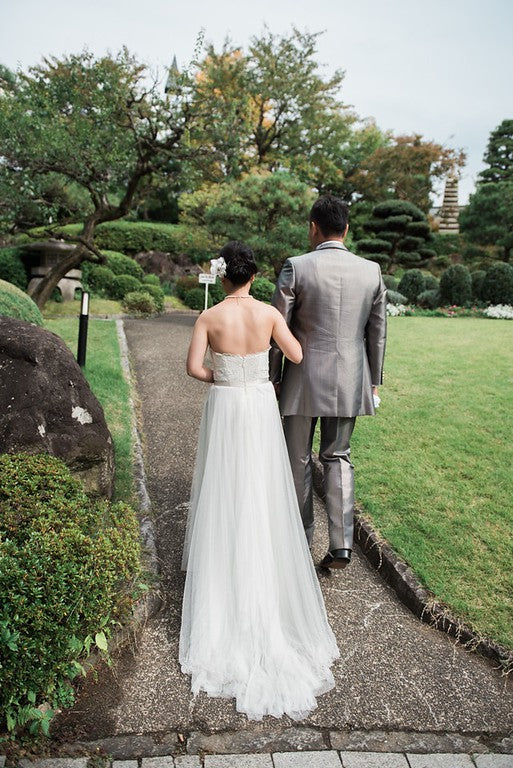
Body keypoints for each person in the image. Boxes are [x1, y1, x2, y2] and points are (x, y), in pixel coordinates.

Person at [180, 241, 339, 721]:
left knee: (224, 489)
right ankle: (264, 578)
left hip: (227, 404)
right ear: (252, 277)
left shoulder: (208, 317)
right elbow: (296, 354)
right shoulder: (269, 313)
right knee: (261, 490)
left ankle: (225, 582)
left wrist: (221, 376)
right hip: (259, 405)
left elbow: (193, 368)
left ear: (224, 276)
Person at [270, 194, 387, 570]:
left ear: (313, 228)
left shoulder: (296, 267)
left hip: (302, 379)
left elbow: (277, 330)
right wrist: (373, 381)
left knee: (297, 459)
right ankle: (342, 545)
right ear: (346, 229)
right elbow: (377, 332)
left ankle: (300, 541)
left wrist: (272, 378)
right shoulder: (371, 271)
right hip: (350, 377)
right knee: (338, 456)